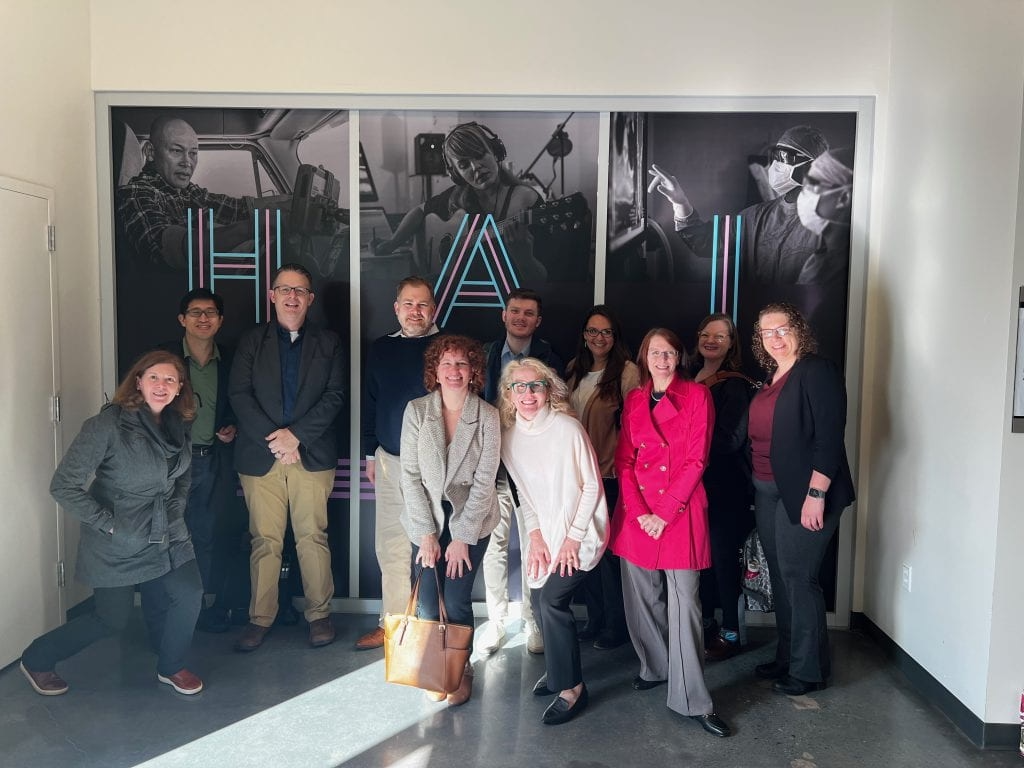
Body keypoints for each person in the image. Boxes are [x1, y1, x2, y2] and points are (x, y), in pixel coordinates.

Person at [21, 351, 204, 696]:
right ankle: (37, 658)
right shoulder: (106, 425)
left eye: (170, 380)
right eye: (154, 377)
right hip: (119, 539)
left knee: (189, 593)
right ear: (138, 381)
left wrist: (176, 511)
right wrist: (110, 525)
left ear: (180, 388)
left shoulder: (179, 424)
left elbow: (182, 477)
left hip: (169, 532)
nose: (161, 386)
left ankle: (171, 666)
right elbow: (63, 485)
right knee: (110, 619)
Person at [611, 328, 731, 739]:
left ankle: (692, 699)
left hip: (678, 512)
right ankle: (656, 667)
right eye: (656, 353)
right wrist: (641, 511)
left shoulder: (697, 396)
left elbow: (697, 460)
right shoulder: (633, 399)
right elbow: (624, 459)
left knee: (686, 607)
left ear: (679, 358)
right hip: (637, 513)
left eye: (670, 353)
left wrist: (662, 512)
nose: (663, 359)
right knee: (641, 597)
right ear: (645, 357)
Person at [229, 263, 346, 652]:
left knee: (313, 537)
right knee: (264, 540)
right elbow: (239, 395)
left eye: (300, 291)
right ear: (272, 295)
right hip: (261, 457)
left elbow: (334, 397)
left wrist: (296, 437)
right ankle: (260, 618)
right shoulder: (251, 341)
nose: (292, 297)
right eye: (285, 290)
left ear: (310, 299)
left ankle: (320, 615)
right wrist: (276, 441)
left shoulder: (328, 341)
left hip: (311, 455)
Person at [748, 302, 854, 696]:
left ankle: (808, 671)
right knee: (782, 578)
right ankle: (788, 657)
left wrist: (816, 494)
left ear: (798, 329)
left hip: (807, 494)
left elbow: (830, 437)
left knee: (799, 578)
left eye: (782, 329)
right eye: (766, 332)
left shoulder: (816, 370)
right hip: (768, 492)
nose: (774, 338)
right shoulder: (774, 376)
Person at [499, 358, 608, 726]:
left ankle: (572, 688)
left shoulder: (567, 429)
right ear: (509, 394)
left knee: (553, 600)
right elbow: (524, 496)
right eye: (519, 387)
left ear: (549, 390)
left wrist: (572, 540)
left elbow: (591, 486)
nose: (527, 394)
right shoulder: (509, 438)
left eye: (535, 386)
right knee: (537, 592)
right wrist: (535, 536)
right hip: (543, 533)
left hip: (582, 531)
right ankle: (559, 669)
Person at [400, 335, 501, 707]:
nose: (454, 371)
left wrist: (461, 537)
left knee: (456, 601)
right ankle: (434, 668)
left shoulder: (487, 416)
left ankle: (460, 669)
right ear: (435, 371)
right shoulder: (416, 411)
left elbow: (484, 480)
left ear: (473, 370)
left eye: (462, 364)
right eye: (447, 364)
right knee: (427, 602)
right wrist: (427, 534)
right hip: (424, 518)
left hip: (470, 522)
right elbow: (409, 476)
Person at [355, 276, 441, 651]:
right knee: (390, 546)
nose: (415, 311)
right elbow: (371, 402)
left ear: (433, 309)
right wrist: (370, 452)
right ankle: (393, 623)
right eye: (408, 304)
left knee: (431, 546)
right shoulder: (381, 349)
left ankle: (428, 627)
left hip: (434, 466)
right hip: (389, 460)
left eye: (422, 304)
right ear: (396, 308)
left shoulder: (448, 347)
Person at [478, 288, 564, 656]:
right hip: (492, 464)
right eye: (515, 311)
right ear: (504, 315)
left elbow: (557, 409)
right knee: (493, 547)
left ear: (537, 321)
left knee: (534, 546)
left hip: (532, 470)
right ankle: (496, 621)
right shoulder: (485, 354)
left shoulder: (549, 357)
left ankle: (532, 622)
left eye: (529, 313)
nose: (521, 318)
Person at [648, 125, 832, 285]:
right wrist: (681, 202)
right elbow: (703, 242)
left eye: (785, 156)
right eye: (775, 155)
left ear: (812, 166)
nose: (776, 164)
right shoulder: (754, 218)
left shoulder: (830, 226)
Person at [372, 122, 546, 283]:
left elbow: (543, 280)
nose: (476, 166)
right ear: (456, 174)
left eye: (479, 155)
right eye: (464, 165)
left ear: (495, 151)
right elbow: (419, 211)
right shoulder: (458, 197)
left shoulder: (526, 201)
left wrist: (525, 259)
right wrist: (392, 243)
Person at [157, 288, 237, 633]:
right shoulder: (164, 360)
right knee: (166, 536)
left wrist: (232, 424)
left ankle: (199, 608)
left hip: (213, 461)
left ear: (220, 320)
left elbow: (239, 400)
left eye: (210, 313)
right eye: (195, 312)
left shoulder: (232, 359)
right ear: (182, 319)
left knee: (205, 536)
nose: (203, 319)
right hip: (173, 464)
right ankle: (163, 611)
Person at [564, 305, 640, 650]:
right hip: (575, 479)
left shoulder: (626, 372)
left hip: (608, 475)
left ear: (615, 337)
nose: (598, 338)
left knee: (608, 556)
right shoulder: (573, 371)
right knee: (584, 552)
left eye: (606, 332)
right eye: (592, 331)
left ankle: (616, 624)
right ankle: (594, 618)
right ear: (584, 335)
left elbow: (634, 428)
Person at [691, 314, 755, 661]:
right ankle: (708, 623)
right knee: (700, 562)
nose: (711, 340)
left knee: (723, 559)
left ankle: (731, 631)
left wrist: (687, 444)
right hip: (691, 486)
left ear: (732, 343)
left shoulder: (736, 385)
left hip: (724, 488)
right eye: (706, 334)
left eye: (721, 336)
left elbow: (731, 440)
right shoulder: (686, 377)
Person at [116, 115, 254, 270]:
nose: (187, 162)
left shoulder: (190, 192)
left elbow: (238, 208)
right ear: (150, 152)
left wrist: (283, 207)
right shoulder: (135, 194)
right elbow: (168, 249)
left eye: (193, 153)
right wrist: (250, 229)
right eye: (176, 150)